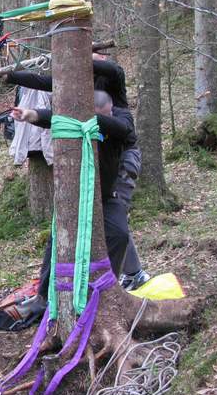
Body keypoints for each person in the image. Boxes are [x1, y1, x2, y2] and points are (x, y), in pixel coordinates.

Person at [11, 91, 135, 305]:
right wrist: (30, 114)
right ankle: (44, 295)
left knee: (120, 234)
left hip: (106, 196)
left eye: (106, 114)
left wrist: (90, 120)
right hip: (77, 196)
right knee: (58, 240)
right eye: (99, 115)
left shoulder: (121, 120)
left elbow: (123, 130)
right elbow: (57, 119)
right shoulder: (77, 123)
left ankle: (108, 287)